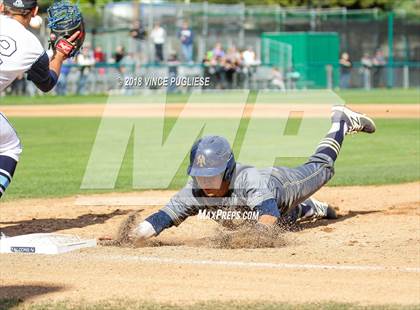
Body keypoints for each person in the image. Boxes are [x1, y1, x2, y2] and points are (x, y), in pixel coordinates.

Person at [131, 106, 376, 241]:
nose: (205, 183)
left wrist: (249, 239)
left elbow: (268, 216)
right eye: (200, 175)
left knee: (321, 168)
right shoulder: (194, 190)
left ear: (227, 172)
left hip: (279, 186)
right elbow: (163, 218)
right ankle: (311, 209)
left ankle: (341, 122)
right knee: (249, 221)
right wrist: (132, 235)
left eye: (212, 176)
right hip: (257, 205)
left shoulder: (248, 181)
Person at [0, 0, 80, 198]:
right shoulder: (33, 47)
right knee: (9, 147)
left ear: (2, 7)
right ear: (34, 11)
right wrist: (59, 55)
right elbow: (47, 83)